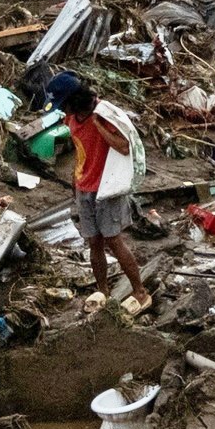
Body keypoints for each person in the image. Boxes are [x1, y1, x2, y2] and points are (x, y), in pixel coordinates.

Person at [51, 72, 151, 315]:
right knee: (94, 242)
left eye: (65, 104)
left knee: (113, 240)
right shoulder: (72, 119)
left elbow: (124, 146)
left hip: (107, 188)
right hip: (84, 186)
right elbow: (80, 148)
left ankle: (140, 292)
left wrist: (97, 124)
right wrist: (75, 179)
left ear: (75, 100)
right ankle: (103, 290)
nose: (63, 110)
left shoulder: (103, 115)